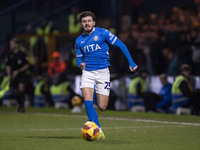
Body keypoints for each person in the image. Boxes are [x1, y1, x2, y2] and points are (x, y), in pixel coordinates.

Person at [75, 11, 138, 139]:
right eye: (84, 21)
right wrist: (80, 64)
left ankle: (93, 98)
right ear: (81, 24)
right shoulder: (79, 40)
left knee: (102, 106)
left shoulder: (103, 33)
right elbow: (78, 58)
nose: (87, 23)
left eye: (89, 21)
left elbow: (121, 44)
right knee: (86, 98)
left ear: (93, 22)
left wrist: (131, 62)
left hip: (103, 73)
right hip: (88, 73)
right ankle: (97, 130)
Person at [5, 38, 30, 112]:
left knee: (21, 87)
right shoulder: (9, 54)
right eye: (10, 44)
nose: (10, 46)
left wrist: (18, 71)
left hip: (21, 74)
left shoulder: (22, 54)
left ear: (17, 45)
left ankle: (22, 107)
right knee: (16, 91)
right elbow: (7, 65)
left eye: (12, 44)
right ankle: (19, 105)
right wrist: (9, 74)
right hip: (13, 75)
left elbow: (27, 65)